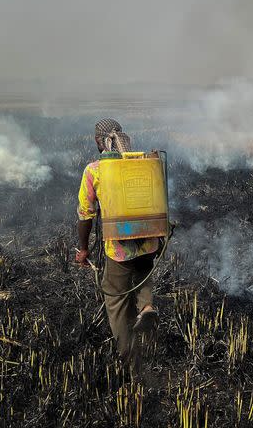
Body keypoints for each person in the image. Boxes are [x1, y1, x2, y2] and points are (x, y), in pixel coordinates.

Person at [74, 118, 160, 368]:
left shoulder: (95, 170)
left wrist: (83, 248)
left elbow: (85, 214)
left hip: (120, 247)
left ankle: (129, 358)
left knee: (115, 298)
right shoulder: (142, 163)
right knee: (143, 271)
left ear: (98, 142)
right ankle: (146, 307)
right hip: (149, 239)